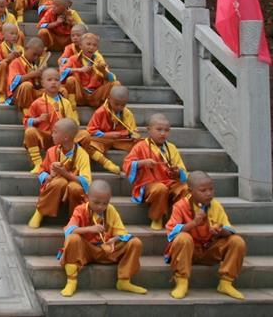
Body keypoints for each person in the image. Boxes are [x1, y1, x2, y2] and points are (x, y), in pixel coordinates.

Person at [165, 171, 246, 300]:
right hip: (188, 253)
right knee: (182, 238)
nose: (209, 193)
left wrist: (220, 231)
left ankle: (226, 282)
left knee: (237, 241)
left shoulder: (215, 206)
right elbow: (172, 233)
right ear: (191, 191)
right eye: (203, 190)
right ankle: (181, 282)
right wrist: (194, 223)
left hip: (209, 249)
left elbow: (229, 229)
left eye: (211, 189)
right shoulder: (180, 206)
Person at [58, 179, 146, 297]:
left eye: (105, 203)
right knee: (73, 239)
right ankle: (71, 281)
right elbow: (68, 230)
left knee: (135, 243)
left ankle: (124, 280)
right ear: (87, 197)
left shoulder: (111, 210)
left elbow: (122, 233)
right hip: (86, 251)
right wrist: (89, 229)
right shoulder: (80, 209)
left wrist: (114, 240)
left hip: (107, 250)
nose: (100, 206)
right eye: (97, 202)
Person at [123, 113, 188, 229]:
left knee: (185, 188)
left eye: (166, 130)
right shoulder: (140, 146)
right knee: (160, 188)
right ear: (149, 130)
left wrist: (177, 172)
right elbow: (127, 164)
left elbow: (182, 170)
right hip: (149, 183)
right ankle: (157, 218)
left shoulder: (171, 148)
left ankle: (177, 217)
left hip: (169, 181)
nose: (163, 133)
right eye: (159, 129)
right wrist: (142, 163)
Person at [28, 118, 91, 228]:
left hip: (73, 188)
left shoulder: (82, 154)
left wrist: (65, 173)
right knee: (60, 182)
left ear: (66, 137)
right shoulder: (51, 151)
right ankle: (40, 212)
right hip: (55, 186)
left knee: (75, 188)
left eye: (55, 132)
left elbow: (86, 182)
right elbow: (42, 171)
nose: (52, 134)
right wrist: (50, 176)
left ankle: (74, 219)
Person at [23, 68, 79, 172]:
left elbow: (72, 122)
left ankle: (70, 164)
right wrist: (37, 120)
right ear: (42, 83)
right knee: (30, 132)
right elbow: (26, 121)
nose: (53, 82)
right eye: (49, 80)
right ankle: (38, 164)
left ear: (60, 83)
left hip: (62, 137)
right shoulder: (37, 103)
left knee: (83, 135)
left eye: (57, 80)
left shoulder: (66, 103)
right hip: (46, 136)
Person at [80, 84, 139, 175]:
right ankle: (106, 163)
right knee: (87, 144)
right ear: (109, 98)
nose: (119, 107)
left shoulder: (127, 113)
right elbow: (91, 130)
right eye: (116, 104)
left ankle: (131, 165)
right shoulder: (100, 112)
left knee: (142, 144)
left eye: (123, 105)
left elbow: (133, 130)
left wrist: (134, 135)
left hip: (120, 139)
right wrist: (106, 135)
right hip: (103, 139)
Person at [61, 32, 116, 107]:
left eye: (94, 45)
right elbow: (62, 72)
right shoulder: (73, 59)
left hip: (95, 93)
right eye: (88, 44)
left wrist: (103, 71)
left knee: (116, 84)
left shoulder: (99, 61)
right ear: (80, 46)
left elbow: (112, 79)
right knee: (71, 80)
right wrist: (79, 70)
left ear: (97, 48)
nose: (91, 47)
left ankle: (111, 106)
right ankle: (72, 104)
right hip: (80, 93)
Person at [3, 37, 47, 112]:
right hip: (18, 94)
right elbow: (13, 83)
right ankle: (27, 114)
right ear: (26, 49)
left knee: (56, 90)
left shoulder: (34, 66)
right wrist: (32, 75)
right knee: (26, 85)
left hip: (31, 93)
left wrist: (40, 79)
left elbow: (37, 86)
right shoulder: (16, 62)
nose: (36, 58)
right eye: (34, 54)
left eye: (38, 56)